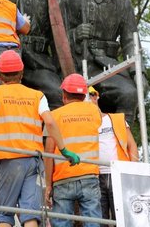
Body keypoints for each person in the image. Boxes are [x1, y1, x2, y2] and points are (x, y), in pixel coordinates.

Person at [0, 50, 80, 227]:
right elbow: (49, 121)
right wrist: (64, 150)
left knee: (5, 213)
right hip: (33, 161)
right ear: (22, 72)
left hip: (9, 159)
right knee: (30, 214)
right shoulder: (37, 95)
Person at [65, 0, 145, 125]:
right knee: (128, 93)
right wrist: (75, 34)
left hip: (111, 64)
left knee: (136, 88)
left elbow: (130, 40)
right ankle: (121, 139)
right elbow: (59, 37)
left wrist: (139, 72)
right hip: (84, 62)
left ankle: (122, 139)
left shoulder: (123, 1)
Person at [3, 0, 67, 109]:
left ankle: (49, 135)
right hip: (14, 58)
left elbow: (59, 41)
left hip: (42, 62)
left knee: (61, 94)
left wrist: (63, 71)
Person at [44, 73, 102, 227]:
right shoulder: (93, 111)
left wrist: (48, 184)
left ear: (63, 94)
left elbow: (48, 152)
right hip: (89, 175)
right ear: (84, 95)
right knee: (93, 222)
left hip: (63, 178)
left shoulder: (54, 116)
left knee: (61, 223)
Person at [88, 86, 139, 224]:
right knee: (100, 219)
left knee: (121, 216)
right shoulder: (85, 124)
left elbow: (132, 145)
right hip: (95, 175)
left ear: (96, 97)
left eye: (92, 94)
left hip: (117, 174)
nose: (90, 98)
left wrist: (132, 171)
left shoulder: (115, 119)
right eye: (87, 96)